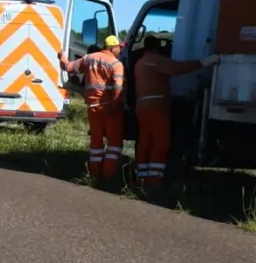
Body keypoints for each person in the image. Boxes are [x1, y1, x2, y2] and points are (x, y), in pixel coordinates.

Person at [134, 35, 219, 187]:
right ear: (157, 47)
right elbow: (178, 68)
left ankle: (141, 177)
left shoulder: (140, 62)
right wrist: (202, 62)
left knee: (145, 142)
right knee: (160, 143)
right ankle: (154, 181)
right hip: (156, 108)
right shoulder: (156, 60)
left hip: (142, 107)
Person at [58, 35, 125, 184]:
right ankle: (108, 176)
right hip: (109, 108)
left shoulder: (88, 58)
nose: (120, 50)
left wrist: (62, 57)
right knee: (114, 144)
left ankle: (94, 174)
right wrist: (115, 105)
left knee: (96, 143)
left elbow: (68, 67)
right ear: (112, 48)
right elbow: (117, 88)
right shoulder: (116, 64)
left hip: (93, 108)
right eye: (118, 48)